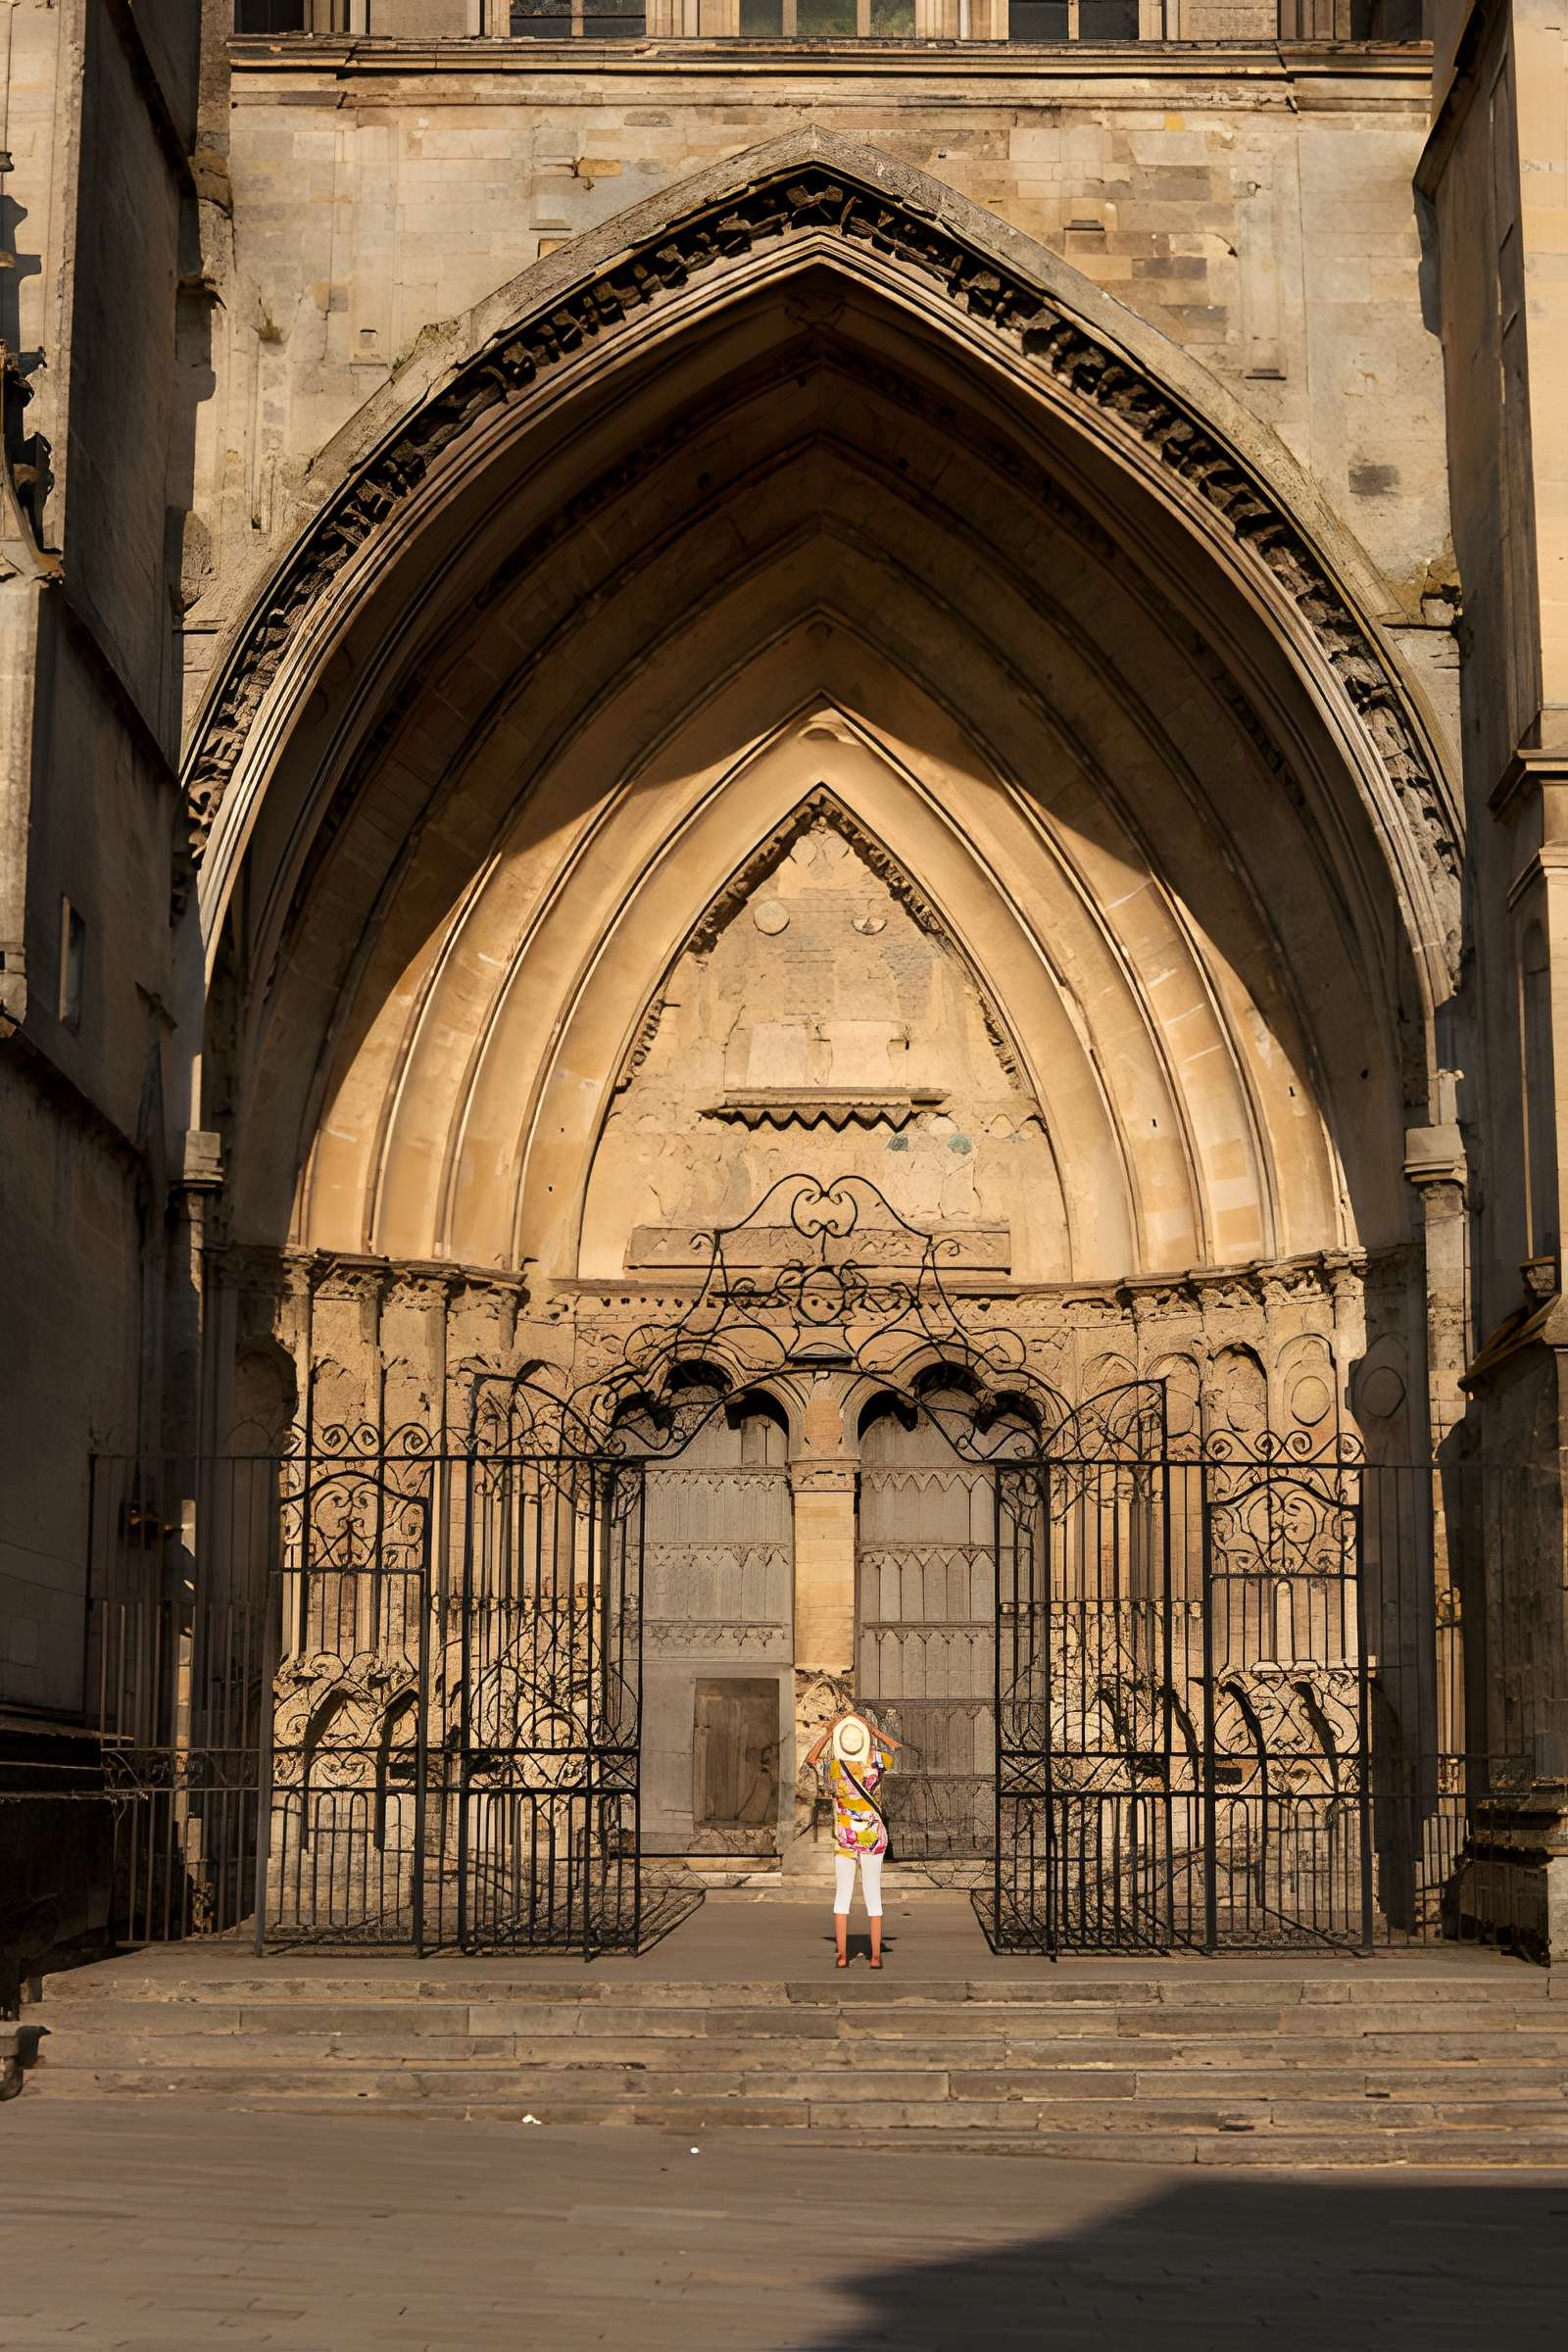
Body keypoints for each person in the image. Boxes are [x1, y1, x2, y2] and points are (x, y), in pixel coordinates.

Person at [804, 1708, 902, 1968]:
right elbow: (895, 1747)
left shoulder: (834, 1767)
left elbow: (811, 1759)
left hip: (845, 1837)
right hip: (873, 1836)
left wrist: (828, 1732)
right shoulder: (875, 1763)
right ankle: (876, 1957)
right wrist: (868, 1727)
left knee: (842, 1895)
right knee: (874, 1894)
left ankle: (843, 1955)